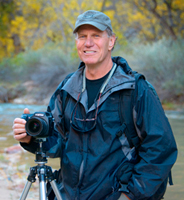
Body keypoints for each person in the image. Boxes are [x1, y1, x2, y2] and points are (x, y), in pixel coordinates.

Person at [13, 10, 177, 200]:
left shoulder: (136, 89)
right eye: (82, 36)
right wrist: (30, 138)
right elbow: (57, 144)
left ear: (111, 41)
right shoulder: (66, 89)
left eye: (96, 36)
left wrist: (130, 195)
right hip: (67, 195)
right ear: (76, 42)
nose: (88, 43)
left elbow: (161, 150)